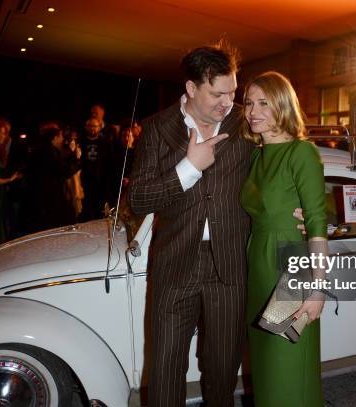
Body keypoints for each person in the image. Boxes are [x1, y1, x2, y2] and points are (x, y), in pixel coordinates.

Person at [128, 43, 253, 407]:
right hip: (174, 263)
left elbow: (278, 164)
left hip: (229, 264)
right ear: (191, 88)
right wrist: (189, 168)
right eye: (217, 93)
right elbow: (139, 200)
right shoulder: (155, 129)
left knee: (222, 367)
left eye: (232, 92)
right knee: (165, 366)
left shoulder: (245, 123)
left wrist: (292, 205)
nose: (227, 103)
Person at [239, 71, 327, 406]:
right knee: (265, 373)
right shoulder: (257, 156)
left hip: (292, 271)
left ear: (282, 105)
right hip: (259, 267)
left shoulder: (301, 153)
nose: (252, 111)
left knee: (287, 370)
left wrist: (318, 287)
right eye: (249, 103)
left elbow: (317, 222)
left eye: (263, 103)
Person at [27, 127, 81, 231]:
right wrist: (76, 158)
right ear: (54, 138)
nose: (62, 140)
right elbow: (64, 171)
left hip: (45, 195)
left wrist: (71, 154)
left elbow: (60, 165)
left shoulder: (44, 150)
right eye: (60, 137)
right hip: (50, 195)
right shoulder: (48, 151)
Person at [79, 117, 112, 221]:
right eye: (90, 126)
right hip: (84, 181)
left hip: (100, 182)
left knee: (99, 210)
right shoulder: (81, 141)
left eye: (95, 126)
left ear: (99, 128)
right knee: (86, 210)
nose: (92, 128)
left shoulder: (105, 143)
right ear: (85, 127)